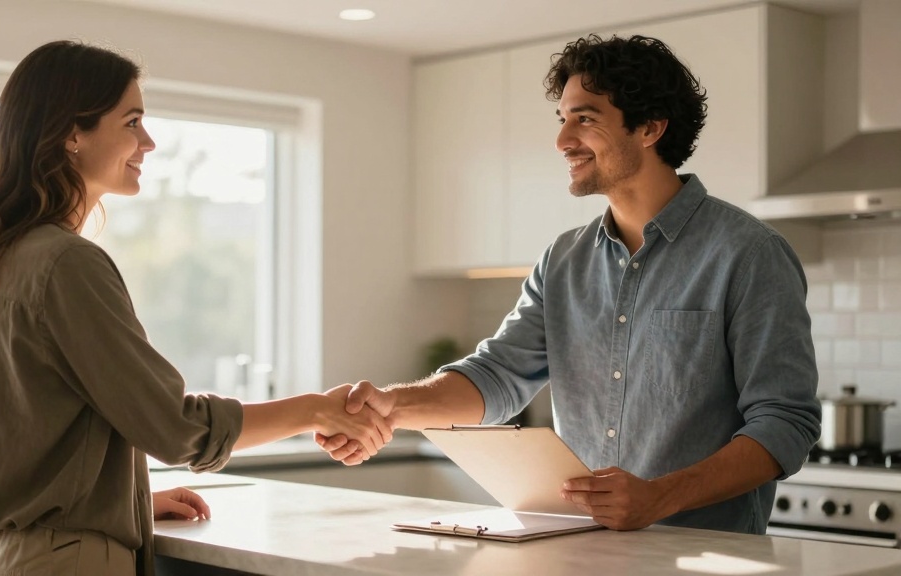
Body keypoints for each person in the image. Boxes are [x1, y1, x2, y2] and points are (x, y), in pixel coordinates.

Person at [318, 34, 821, 534]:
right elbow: (498, 376)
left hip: (705, 556)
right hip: (580, 550)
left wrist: (658, 497)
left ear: (649, 127)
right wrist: (392, 406)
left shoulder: (748, 255)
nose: (562, 141)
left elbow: (785, 423)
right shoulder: (563, 260)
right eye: (563, 120)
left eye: (585, 118)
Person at [0, 40, 389, 576]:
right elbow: (174, 427)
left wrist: (123, 502)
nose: (147, 142)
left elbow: (33, 432)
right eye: (131, 122)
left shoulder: (10, 255)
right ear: (70, 134)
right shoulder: (66, 262)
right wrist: (314, 409)